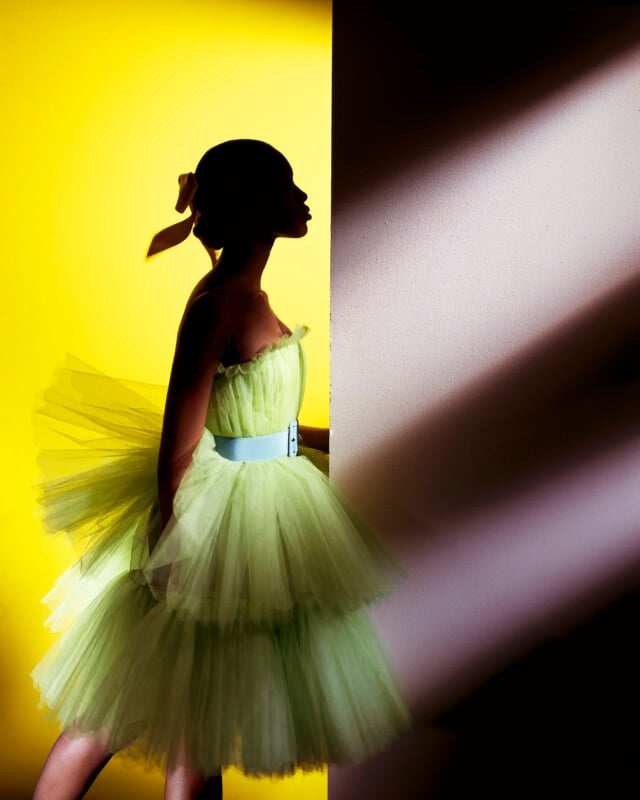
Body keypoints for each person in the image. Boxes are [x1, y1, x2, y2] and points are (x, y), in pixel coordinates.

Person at [31, 139, 411, 800]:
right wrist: (172, 537)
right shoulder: (218, 307)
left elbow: (256, 422)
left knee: (197, 721)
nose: (304, 198)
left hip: (264, 512)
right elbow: (180, 445)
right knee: (115, 715)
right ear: (257, 205)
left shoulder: (249, 297)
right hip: (214, 524)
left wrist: (331, 437)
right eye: (288, 186)